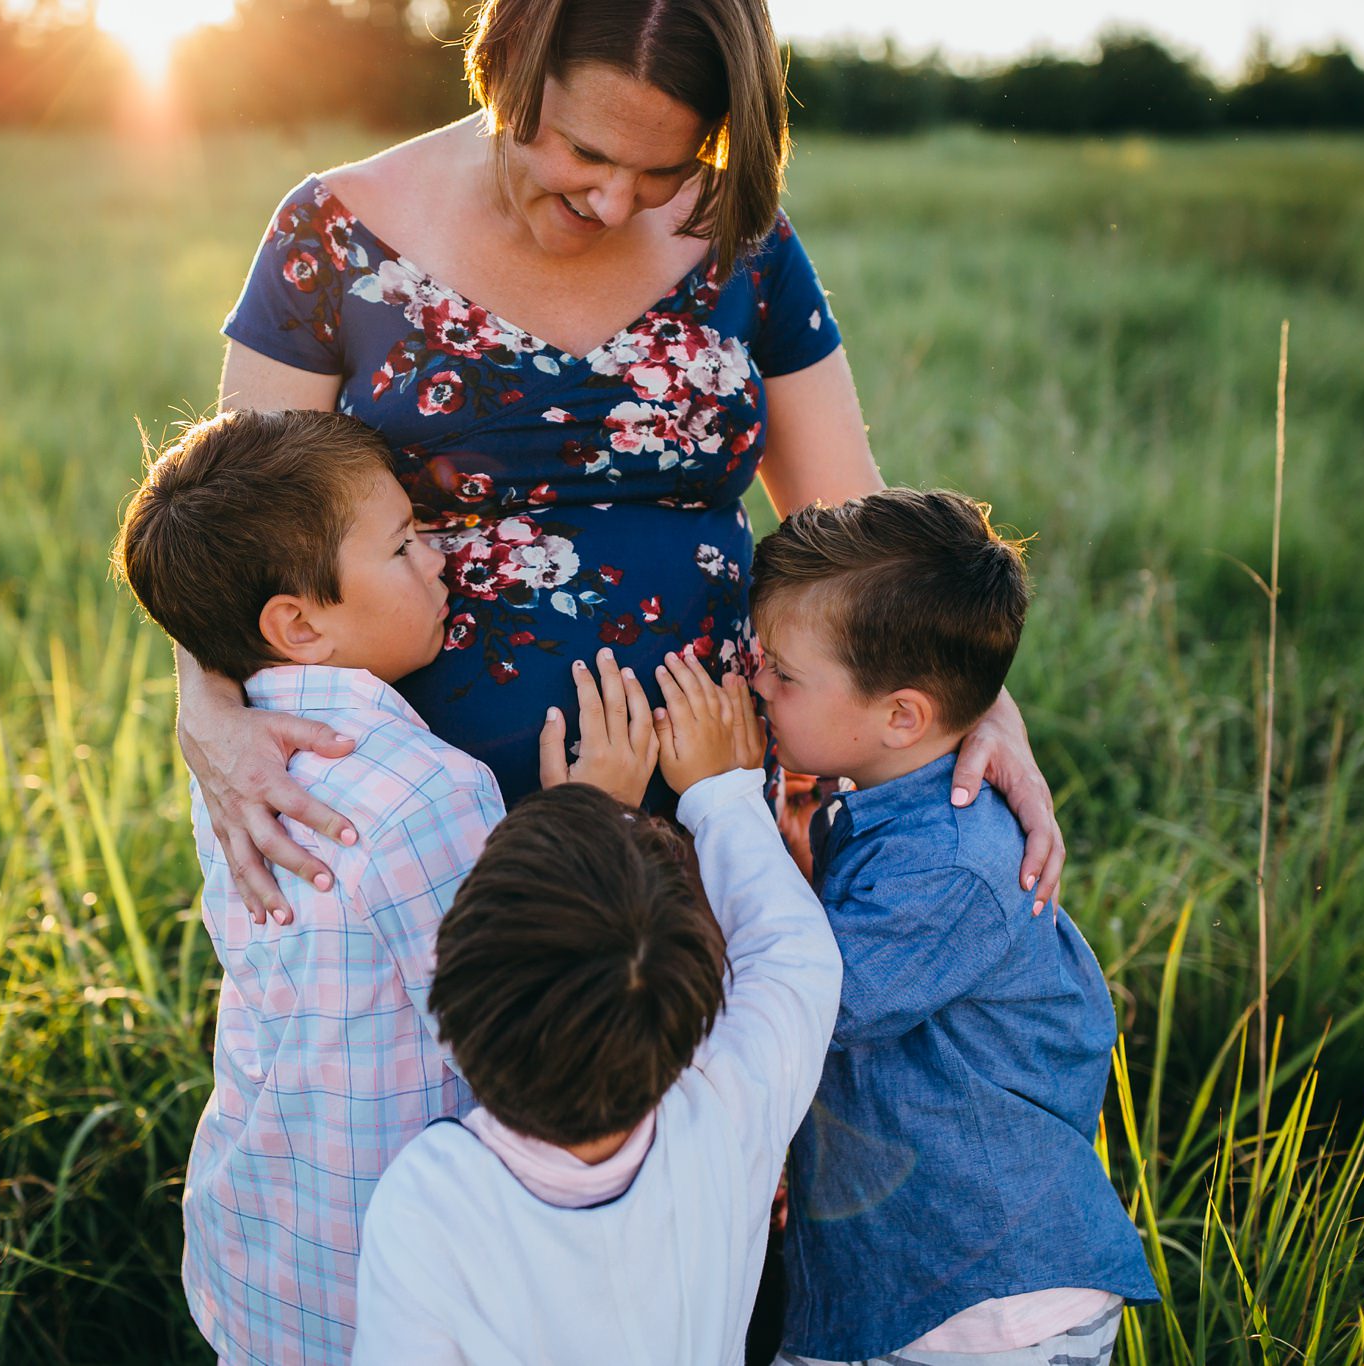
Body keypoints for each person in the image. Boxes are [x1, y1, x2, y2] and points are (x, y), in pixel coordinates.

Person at [175, 0, 1066, 934]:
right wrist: (208, 712)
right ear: (511, 61)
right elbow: (238, 539)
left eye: (664, 168)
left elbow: (855, 526)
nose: (612, 204)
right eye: (584, 153)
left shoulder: (743, 237)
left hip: (707, 804)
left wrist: (978, 703)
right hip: (412, 825)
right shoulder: (332, 234)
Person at [113, 407, 657, 1366]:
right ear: (300, 624)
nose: (443, 557)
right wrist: (593, 818)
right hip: (402, 1278)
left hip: (271, 1241)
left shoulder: (238, 771)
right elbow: (511, 1020)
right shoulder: (427, 792)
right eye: (405, 544)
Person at [744, 489, 1160, 1366]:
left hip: (980, 1301)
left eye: (783, 673)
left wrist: (721, 804)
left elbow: (814, 1005)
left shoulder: (950, 863)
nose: (757, 682)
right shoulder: (889, 802)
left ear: (901, 715)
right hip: (905, 1277)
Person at [351, 652, 843, 1364]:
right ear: (700, 994)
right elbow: (796, 957)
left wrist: (591, 816)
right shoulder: (726, 1113)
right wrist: (719, 796)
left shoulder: (430, 1201)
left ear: (449, 1000)